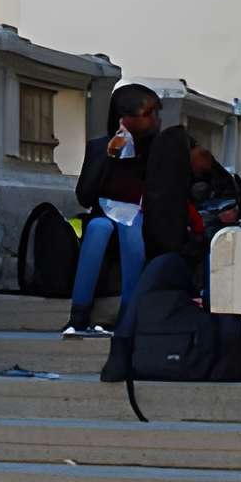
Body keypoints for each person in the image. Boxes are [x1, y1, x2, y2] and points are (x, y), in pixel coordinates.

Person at [61, 83, 162, 338]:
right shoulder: (99, 147)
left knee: (131, 232)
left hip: (139, 215)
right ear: (124, 118)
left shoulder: (156, 149)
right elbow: (84, 196)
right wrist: (110, 156)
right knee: (97, 228)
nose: (154, 120)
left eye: (154, 113)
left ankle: (129, 315)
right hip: (103, 213)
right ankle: (79, 314)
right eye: (146, 115)